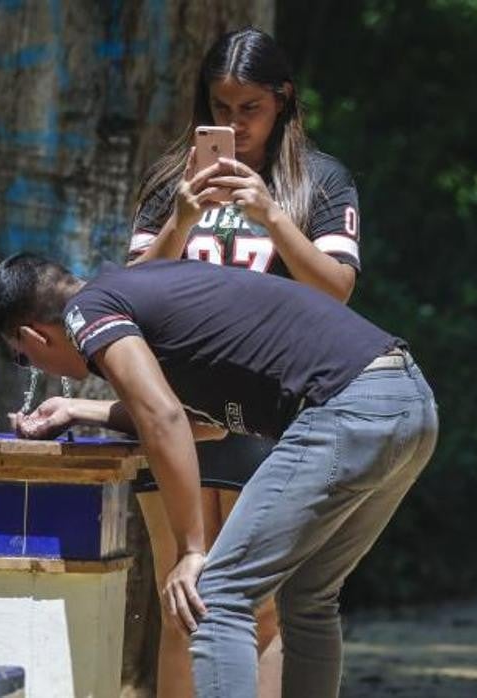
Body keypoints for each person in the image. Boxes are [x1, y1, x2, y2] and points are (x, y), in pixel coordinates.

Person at [0, 253, 437, 697]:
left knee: (215, 596)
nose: (35, 368)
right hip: (407, 403)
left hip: (348, 409)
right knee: (308, 597)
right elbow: (203, 423)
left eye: (24, 359)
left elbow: (163, 419)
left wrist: (191, 548)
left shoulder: (86, 311)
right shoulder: (139, 292)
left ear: (34, 336)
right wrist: (75, 409)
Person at [127, 27, 362, 697]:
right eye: (220, 108)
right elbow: (129, 295)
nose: (234, 125)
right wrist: (179, 218)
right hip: (177, 410)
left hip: (277, 411)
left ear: (283, 100)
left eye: (249, 109)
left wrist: (270, 216)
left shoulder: (319, 181)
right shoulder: (173, 181)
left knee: (260, 607)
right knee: (183, 603)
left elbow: (337, 290)